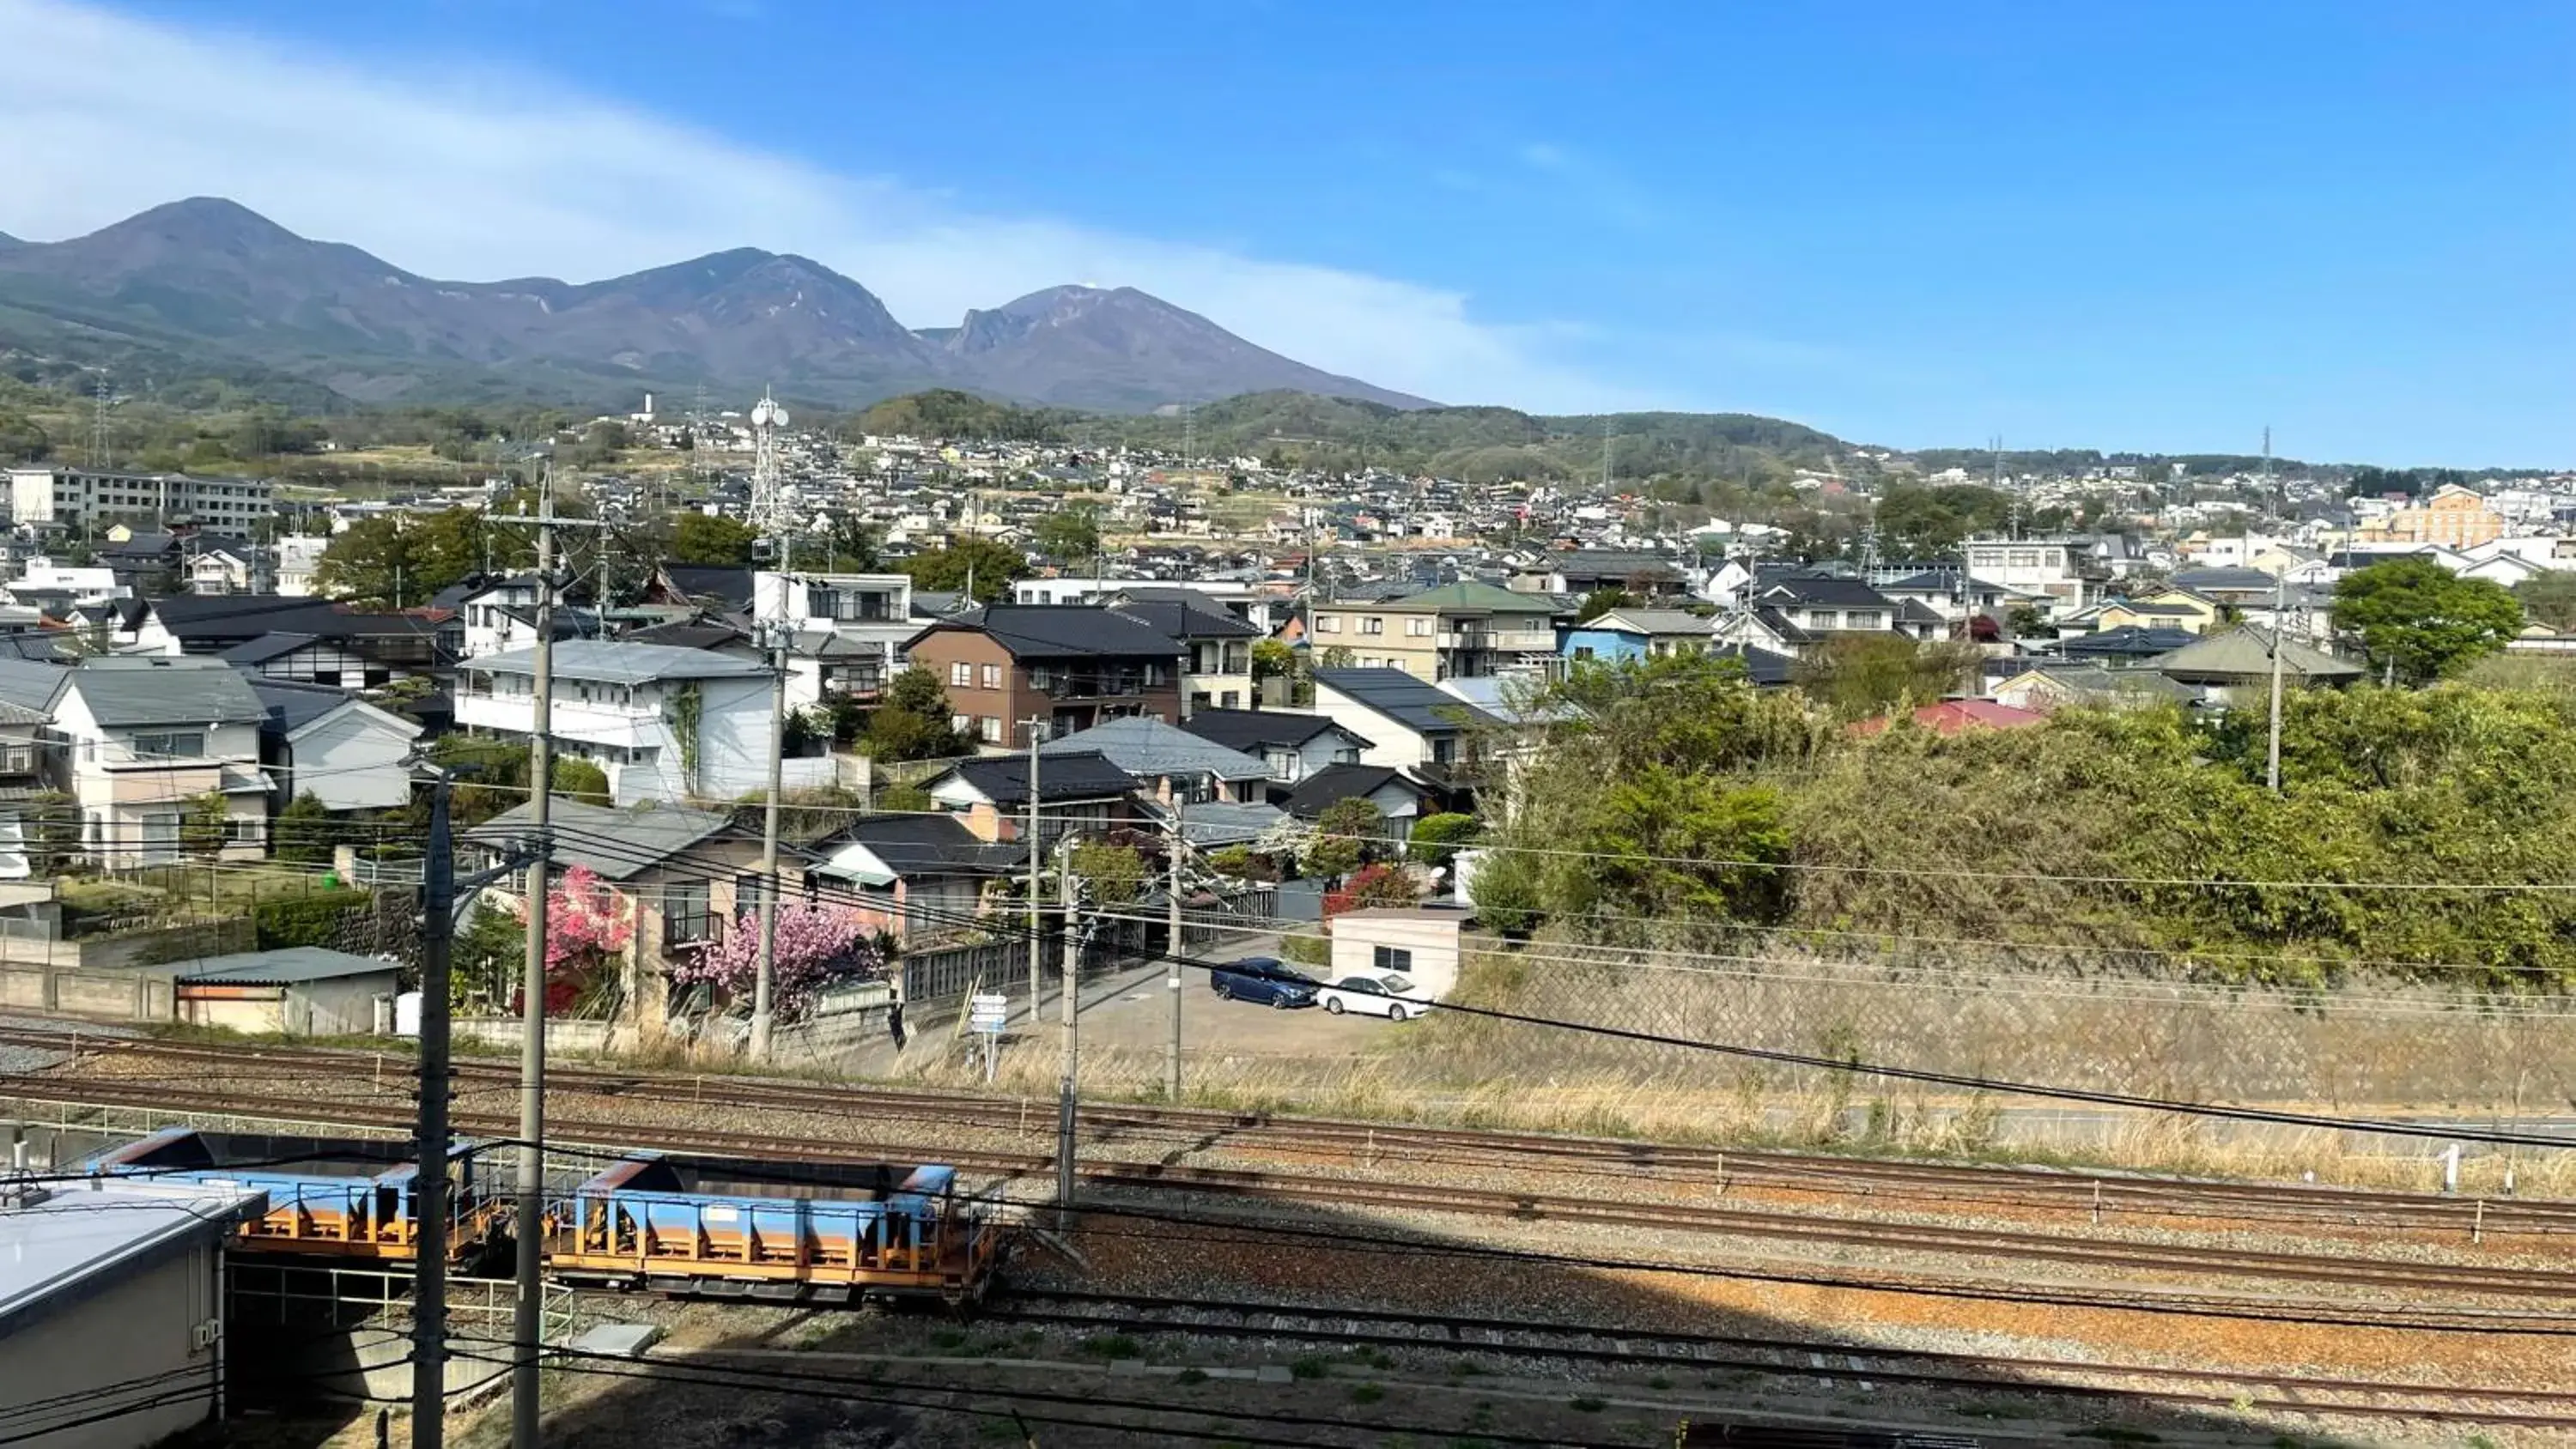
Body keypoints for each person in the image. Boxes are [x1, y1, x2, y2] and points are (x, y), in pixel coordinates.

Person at [886, 980, 908, 1051]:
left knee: (896, 1025)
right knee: (896, 1025)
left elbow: (896, 998)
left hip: (896, 1006)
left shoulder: (895, 983)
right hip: (895, 1006)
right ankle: (900, 1042)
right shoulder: (895, 983)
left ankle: (900, 1042)